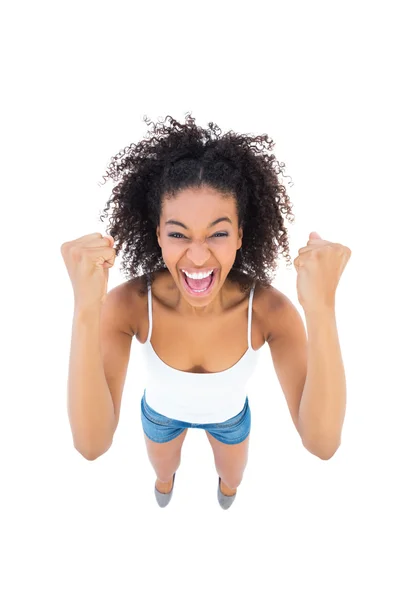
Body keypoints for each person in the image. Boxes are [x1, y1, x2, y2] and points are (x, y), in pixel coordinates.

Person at [62, 113, 305, 510]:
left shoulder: (268, 309)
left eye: (218, 233)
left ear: (241, 234)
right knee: (163, 469)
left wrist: (322, 304)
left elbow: (323, 441)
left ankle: (226, 490)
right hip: (161, 416)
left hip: (229, 419)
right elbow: (91, 446)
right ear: (157, 233)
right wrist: (86, 307)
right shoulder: (130, 304)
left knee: (233, 477)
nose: (196, 255)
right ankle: (165, 481)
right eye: (177, 234)